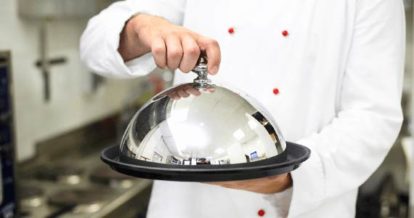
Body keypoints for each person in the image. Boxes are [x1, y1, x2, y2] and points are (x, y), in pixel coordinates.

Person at [80, 0, 405, 217]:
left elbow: (373, 116)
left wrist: (291, 178)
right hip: (189, 207)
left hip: (308, 205)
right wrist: (144, 27)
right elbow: (95, 41)